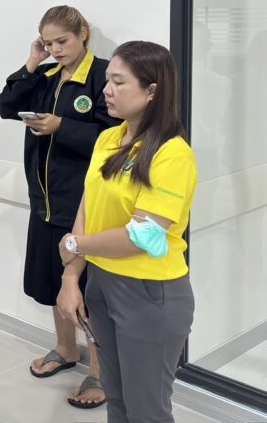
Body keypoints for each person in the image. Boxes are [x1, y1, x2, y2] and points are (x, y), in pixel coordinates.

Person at [56, 40, 197, 423]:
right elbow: (88, 205)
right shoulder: (109, 138)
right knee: (117, 400)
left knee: (146, 409)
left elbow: (144, 237)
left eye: (118, 82)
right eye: (107, 80)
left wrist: (76, 244)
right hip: (102, 283)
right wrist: (71, 277)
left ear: (152, 91)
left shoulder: (172, 154)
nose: (106, 90)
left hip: (150, 292)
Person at [0, 5, 116, 409]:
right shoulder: (45, 76)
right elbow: (6, 106)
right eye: (48, 44)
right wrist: (32, 62)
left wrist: (62, 126)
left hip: (83, 205)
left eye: (61, 41)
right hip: (44, 201)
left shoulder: (103, 77)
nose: (56, 50)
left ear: (83, 34)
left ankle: (99, 371)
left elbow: (111, 136)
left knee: (88, 292)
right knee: (54, 284)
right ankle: (66, 349)